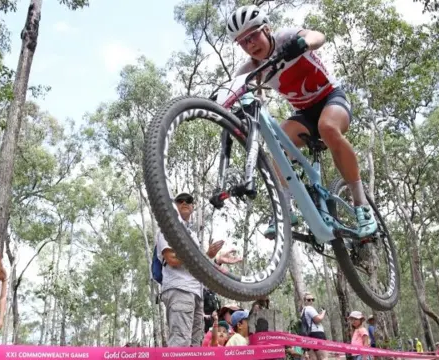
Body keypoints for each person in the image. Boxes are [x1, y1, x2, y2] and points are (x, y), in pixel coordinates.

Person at [226, 5, 377, 239]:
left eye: (253, 35)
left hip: (331, 98)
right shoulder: (252, 68)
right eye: (243, 42)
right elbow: (230, 89)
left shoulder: (286, 37)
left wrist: (304, 43)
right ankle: (286, 210)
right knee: (276, 145)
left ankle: (362, 205)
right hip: (305, 113)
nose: (250, 45)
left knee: (327, 127)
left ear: (267, 29)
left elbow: (318, 36)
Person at [157, 192, 239, 347]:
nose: (184, 202)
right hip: (180, 288)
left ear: (193, 207)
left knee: (196, 346)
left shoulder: (192, 235)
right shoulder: (167, 229)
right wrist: (199, 256)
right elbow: (172, 259)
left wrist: (214, 259)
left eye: (188, 200)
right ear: (174, 206)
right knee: (180, 343)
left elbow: (198, 265)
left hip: (196, 294)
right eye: (179, 200)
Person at [301, 292, 328, 360]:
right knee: (324, 357)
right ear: (304, 301)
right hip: (317, 334)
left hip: (308, 335)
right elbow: (318, 320)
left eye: (312, 299)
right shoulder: (309, 308)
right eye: (308, 300)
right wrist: (323, 313)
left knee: (313, 358)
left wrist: (319, 314)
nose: (311, 301)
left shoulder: (303, 310)